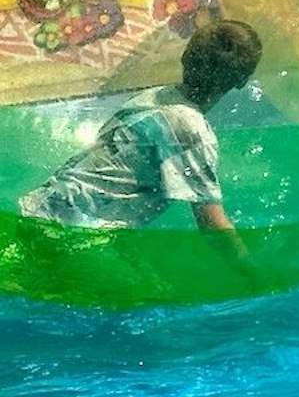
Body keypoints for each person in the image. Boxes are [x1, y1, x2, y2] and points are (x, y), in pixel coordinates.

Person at [17, 19, 263, 265]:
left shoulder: (153, 98)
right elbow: (212, 225)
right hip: (73, 235)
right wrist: (257, 277)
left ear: (185, 56)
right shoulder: (190, 131)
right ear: (242, 81)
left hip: (42, 206)